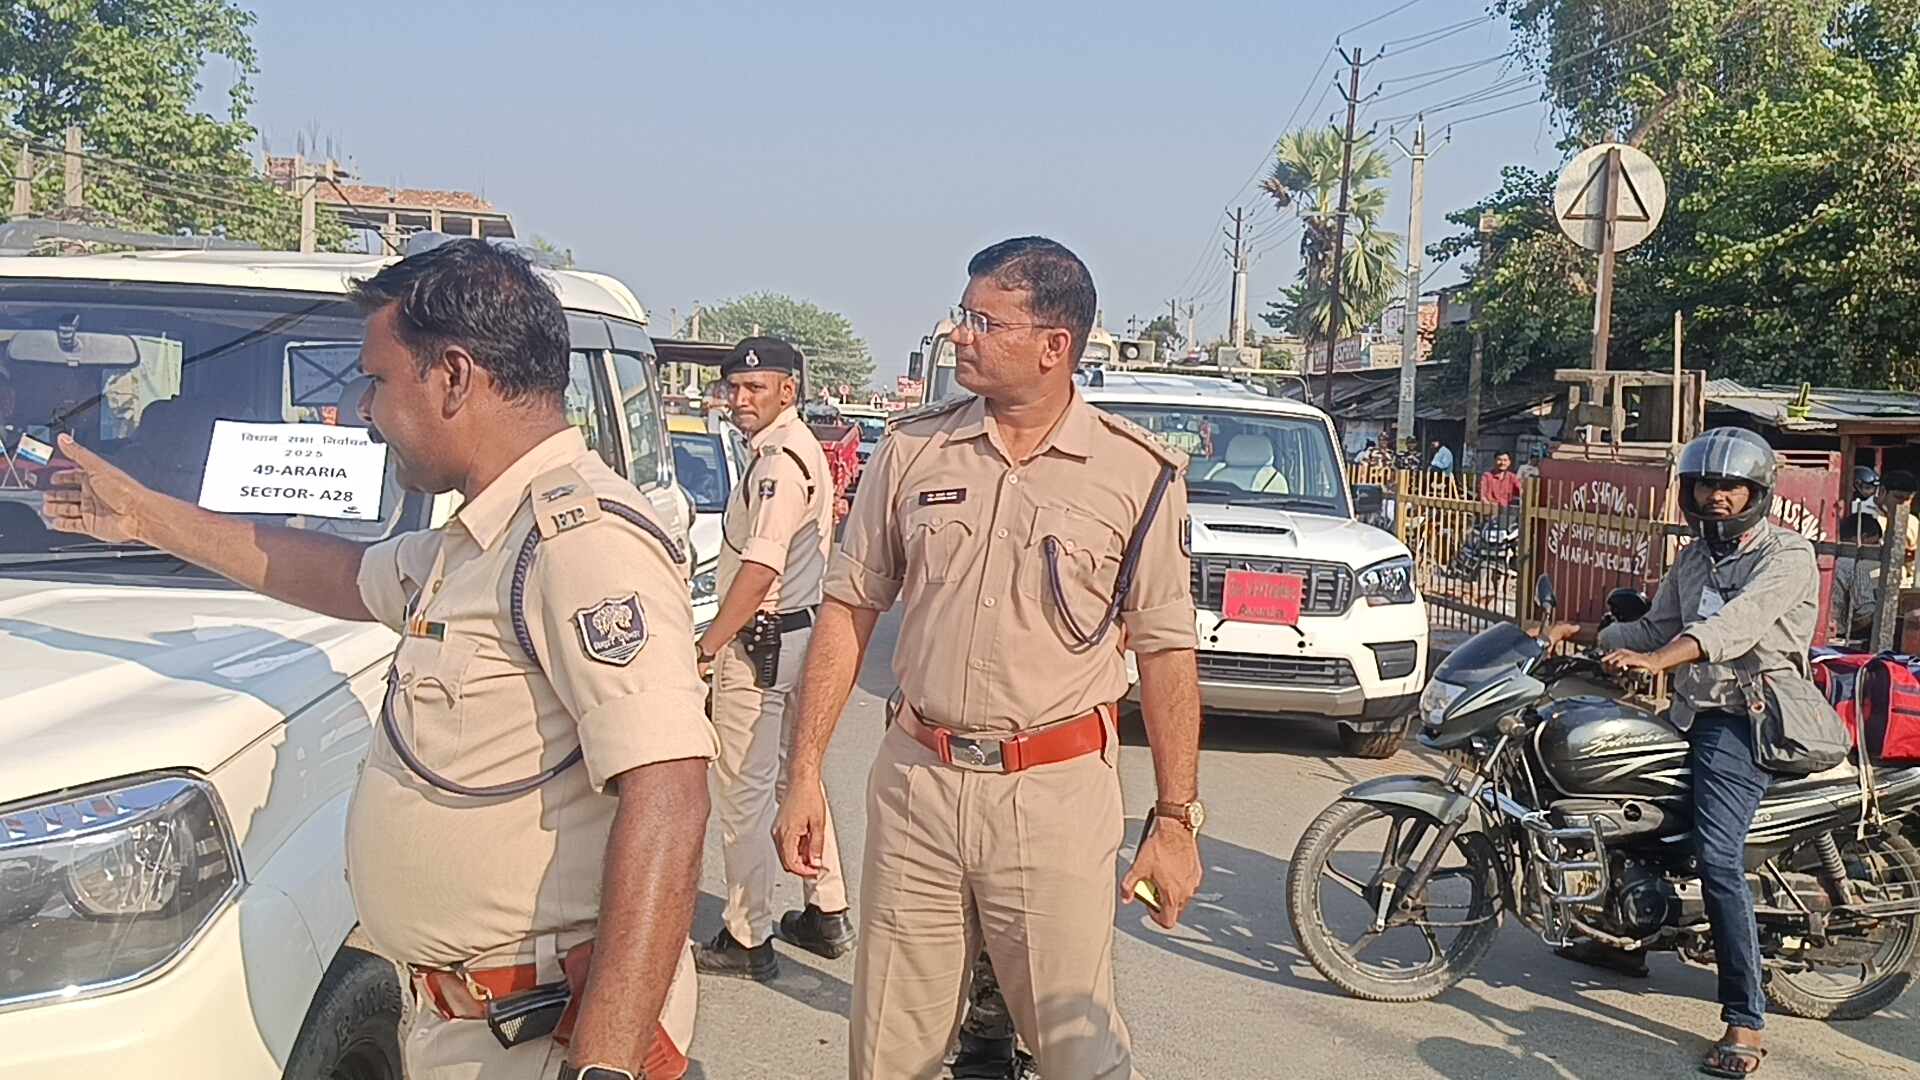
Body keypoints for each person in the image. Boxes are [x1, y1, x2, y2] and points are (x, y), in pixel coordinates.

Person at [43, 239, 716, 1080]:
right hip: (472, 1021)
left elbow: (670, 794)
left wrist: (606, 1068)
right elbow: (336, 573)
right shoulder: (482, 538)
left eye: (378, 380)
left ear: (454, 376)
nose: (363, 408)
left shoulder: (580, 543)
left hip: (545, 1039)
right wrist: (143, 516)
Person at [774, 237, 1204, 1080]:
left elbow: (1164, 653)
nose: (958, 334)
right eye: (962, 315)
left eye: (984, 321)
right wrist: (803, 775)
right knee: (887, 1050)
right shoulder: (912, 450)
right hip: (918, 786)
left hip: (1053, 794)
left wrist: (1175, 821)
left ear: (1054, 345)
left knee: (1076, 1051)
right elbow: (849, 609)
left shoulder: (1137, 474)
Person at [1548, 426, 1819, 1078]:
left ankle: (1746, 1019)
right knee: (1627, 809)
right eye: (1705, 485)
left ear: (1756, 492)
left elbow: (1732, 628)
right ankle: (1624, 943)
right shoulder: (1696, 557)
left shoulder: (1787, 555)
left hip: (1748, 718)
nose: (1716, 496)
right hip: (1691, 711)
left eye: (1730, 486)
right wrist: (1578, 633)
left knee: (1718, 857)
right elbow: (1653, 627)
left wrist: (1658, 661)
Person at [692, 336, 853, 980]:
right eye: (733, 388)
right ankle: (826, 908)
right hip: (796, 637)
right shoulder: (793, 447)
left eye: (754, 388)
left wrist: (707, 647)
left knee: (744, 794)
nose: (739, 399)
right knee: (796, 781)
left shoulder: (777, 463)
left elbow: (760, 568)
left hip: (760, 642)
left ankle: (747, 935)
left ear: (788, 391)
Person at [1830, 514, 1882, 646]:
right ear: (1864, 538)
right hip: (1837, 639)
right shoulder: (1855, 566)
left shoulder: (1821, 557)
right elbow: (1865, 617)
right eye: (1874, 543)